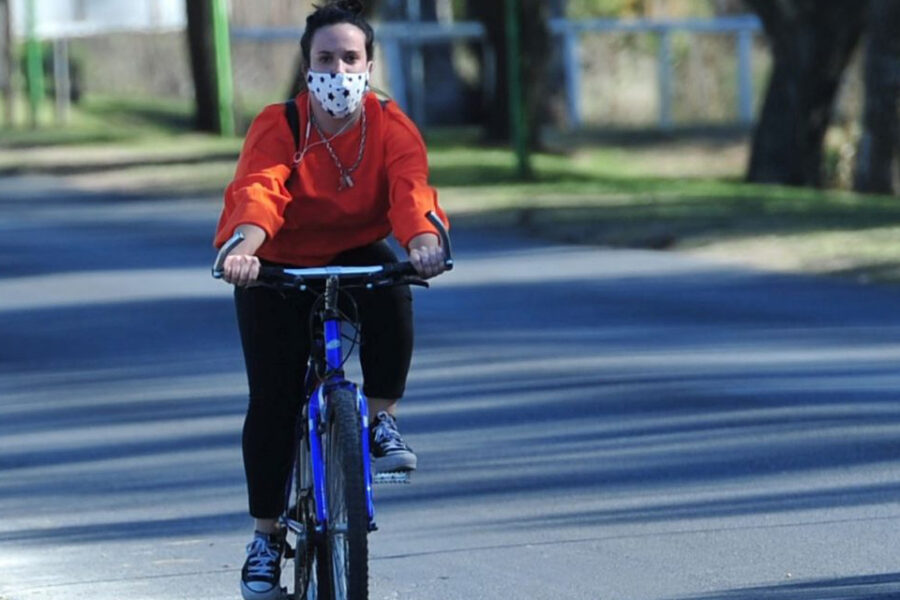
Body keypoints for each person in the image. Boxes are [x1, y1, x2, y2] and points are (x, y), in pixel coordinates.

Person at [212, 2, 449, 598]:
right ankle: (265, 538)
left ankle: (380, 418)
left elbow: (411, 190)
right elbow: (259, 192)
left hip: (355, 251)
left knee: (395, 280)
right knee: (273, 399)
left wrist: (424, 241)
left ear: (368, 66)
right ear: (306, 65)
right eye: (325, 58)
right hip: (276, 263)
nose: (337, 71)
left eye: (350, 58)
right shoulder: (280, 125)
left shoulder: (392, 125)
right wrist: (246, 250)